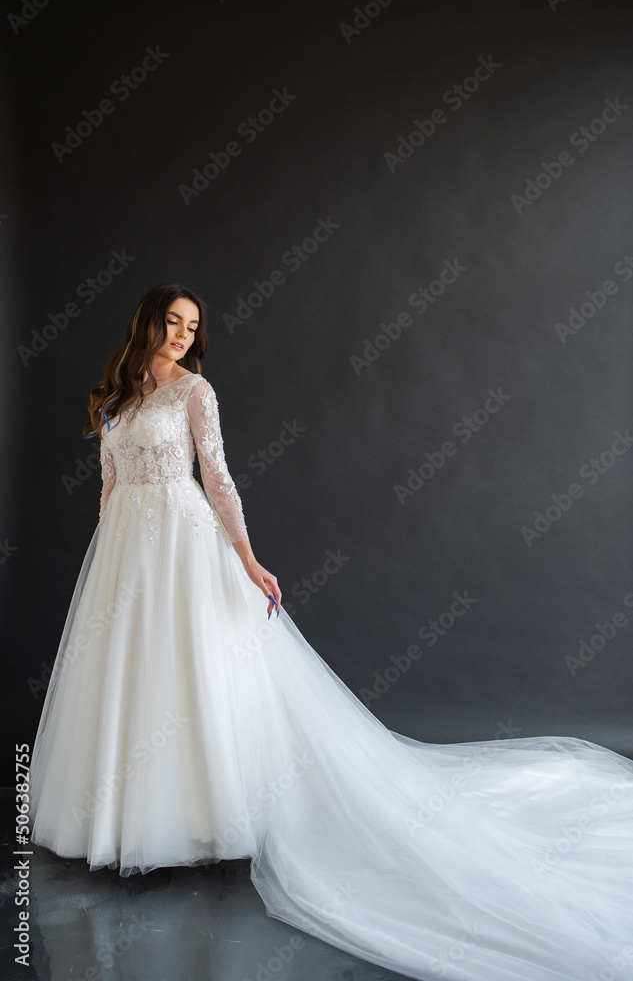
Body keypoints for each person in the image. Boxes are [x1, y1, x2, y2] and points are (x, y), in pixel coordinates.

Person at [29, 283, 633, 981]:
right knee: (127, 674)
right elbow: (107, 487)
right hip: (125, 551)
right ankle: (122, 811)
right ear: (147, 324)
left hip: (183, 544)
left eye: (193, 326)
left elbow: (218, 478)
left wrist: (248, 560)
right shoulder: (118, 399)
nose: (183, 336)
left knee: (192, 671)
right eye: (172, 322)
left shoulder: (196, 392)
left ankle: (196, 815)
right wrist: (106, 560)